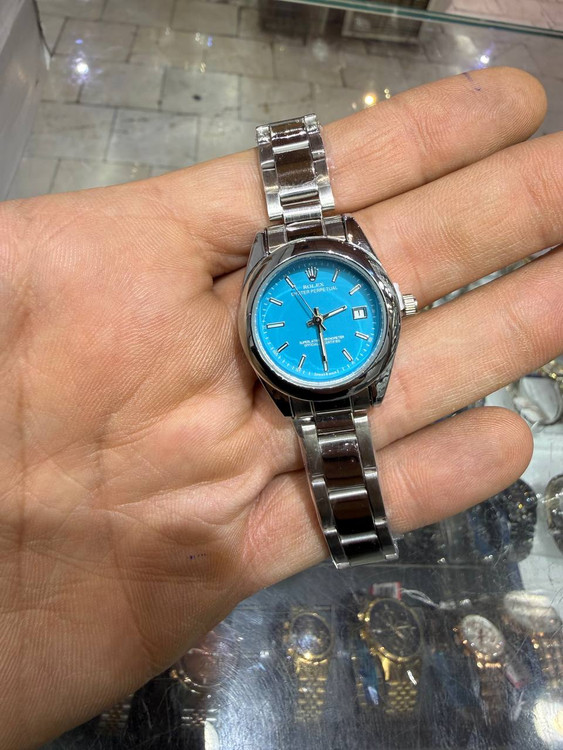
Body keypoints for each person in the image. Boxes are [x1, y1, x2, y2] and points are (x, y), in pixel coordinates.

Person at [0, 66, 561, 748]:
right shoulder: (280, 322)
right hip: (309, 383)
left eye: (334, 312)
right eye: (311, 316)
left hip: (341, 377)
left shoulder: (346, 303)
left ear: (388, 302)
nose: (321, 319)